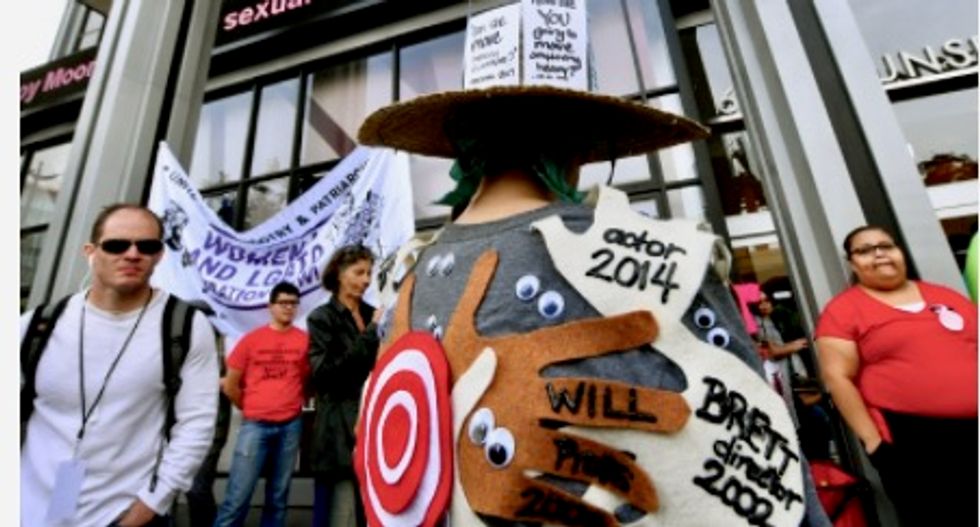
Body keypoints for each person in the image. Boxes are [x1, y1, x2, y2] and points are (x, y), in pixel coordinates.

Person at [352, 9, 830, 525]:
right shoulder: (666, 256)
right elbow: (766, 458)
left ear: (465, 147)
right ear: (581, 141)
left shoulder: (407, 277)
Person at [20, 203, 220, 527]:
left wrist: (152, 504)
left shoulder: (184, 326)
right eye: (116, 245)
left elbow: (196, 424)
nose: (132, 254)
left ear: (159, 255)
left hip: (125, 516)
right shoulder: (35, 326)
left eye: (147, 246)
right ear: (90, 252)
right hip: (28, 511)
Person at [815, 225, 978, 526]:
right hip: (912, 440)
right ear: (853, 263)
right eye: (865, 250)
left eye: (886, 246)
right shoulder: (843, 310)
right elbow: (838, 378)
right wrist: (873, 443)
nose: (879, 254)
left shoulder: (946, 296)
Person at [214, 282, 310, 527]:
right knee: (237, 497)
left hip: (290, 426)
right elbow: (230, 384)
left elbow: (306, 381)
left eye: (293, 303)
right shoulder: (251, 340)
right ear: (270, 306)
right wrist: (250, 407)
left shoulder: (304, 341)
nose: (288, 308)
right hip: (255, 426)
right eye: (283, 303)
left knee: (278, 498)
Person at [307, 245, 380, 527]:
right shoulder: (321, 318)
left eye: (369, 273)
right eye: (359, 272)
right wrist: (370, 334)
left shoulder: (373, 314)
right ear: (339, 273)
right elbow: (326, 375)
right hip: (339, 433)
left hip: (373, 426)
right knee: (343, 514)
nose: (366, 280)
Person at [751, 290, 811, 425]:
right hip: (775, 378)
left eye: (766, 301)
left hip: (785, 376)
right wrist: (795, 346)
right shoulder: (756, 322)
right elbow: (770, 351)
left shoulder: (773, 320)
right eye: (759, 303)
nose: (764, 305)